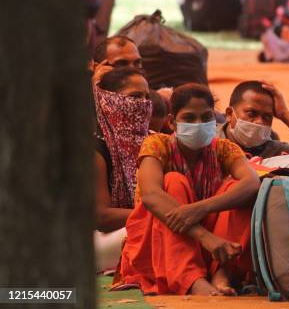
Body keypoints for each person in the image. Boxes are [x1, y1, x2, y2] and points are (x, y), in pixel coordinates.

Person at [118, 83, 260, 296]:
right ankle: (192, 279)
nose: (198, 124)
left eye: (206, 117)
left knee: (235, 188)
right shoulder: (157, 144)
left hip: (213, 247)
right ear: (172, 122)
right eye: (189, 118)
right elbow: (151, 195)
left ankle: (222, 272)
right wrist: (204, 236)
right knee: (174, 181)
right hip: (161, 242)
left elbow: (251, 182)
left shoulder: (224, 148)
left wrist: (199, 209)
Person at [94, 67, 152, 271]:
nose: (143, 104)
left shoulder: (151, 139)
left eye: (147, 97)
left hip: (134, 226)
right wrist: (159, 212)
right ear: (109, 101)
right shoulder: (94, 147)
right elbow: (100, 216)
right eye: (135, 96)